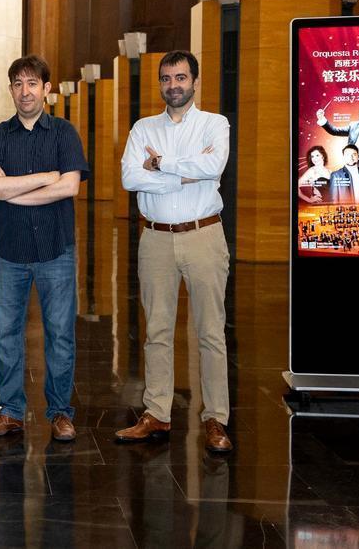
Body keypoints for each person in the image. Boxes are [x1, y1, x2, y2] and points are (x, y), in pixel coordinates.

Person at [117, 50, 233, 453]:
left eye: (181, 77)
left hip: (203, 235)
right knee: (157, 331)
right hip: (155, 239)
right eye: (166, 79)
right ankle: (157, 414)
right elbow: (130, 178)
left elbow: (214, 167)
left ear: (195, 82)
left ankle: (216, 418)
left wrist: (161, 164)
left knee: (210, 332)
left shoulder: (215, 124)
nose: (173, 85)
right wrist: (181, 175)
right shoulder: (142, 128)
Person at [0, 55, 88, 441]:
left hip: (56, 250)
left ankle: (59, 412)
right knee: (6, 334)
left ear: (46, 89)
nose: (25, 91)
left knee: (60, 334)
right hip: (9, 252)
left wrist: (14, 190)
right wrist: (43, 179)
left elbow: (70, 187)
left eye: (32, 83)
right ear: (10, 90)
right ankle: (10, 411)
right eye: (17, 84)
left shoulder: (64, 133)